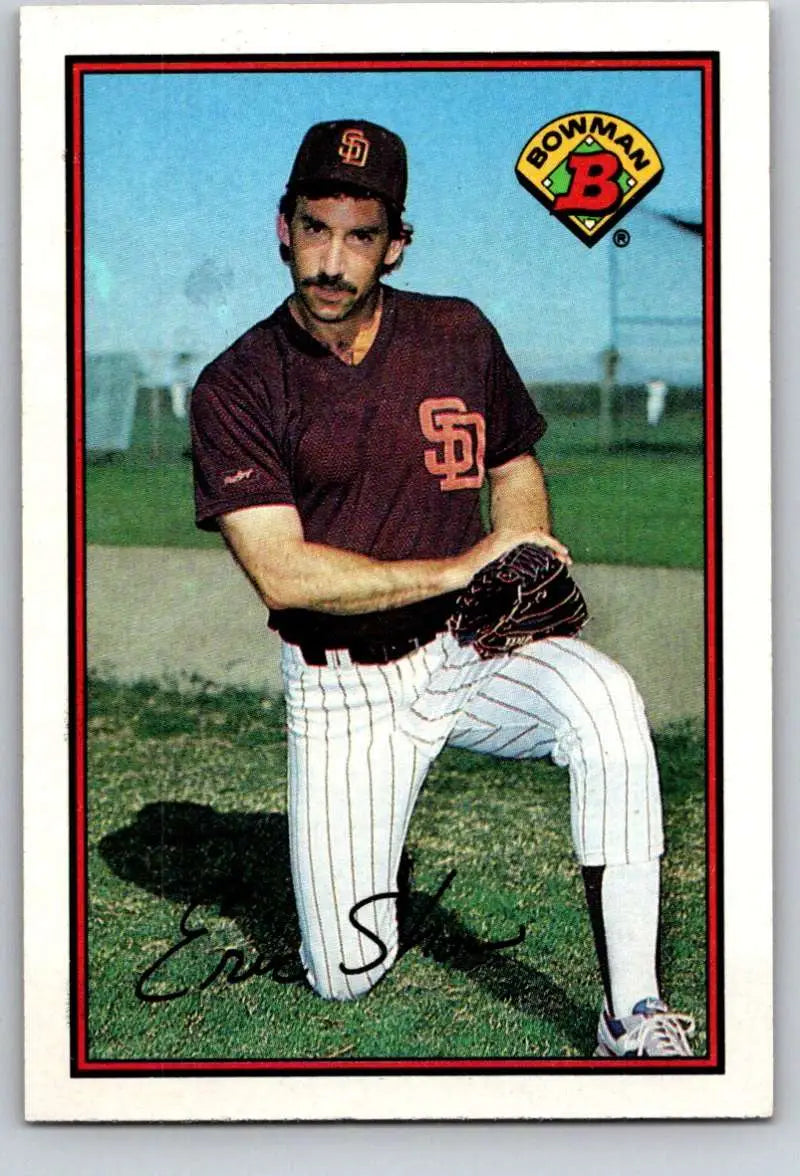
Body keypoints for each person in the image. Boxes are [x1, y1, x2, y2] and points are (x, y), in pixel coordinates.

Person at [190, 119, 695, 1058]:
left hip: (468, 650)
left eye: (360, 235)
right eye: (314, 228)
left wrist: (516, 545)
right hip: (344, 687)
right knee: (347, 975)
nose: (332, 260)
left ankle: (632, 1012)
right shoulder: (238, 385)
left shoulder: (456, 332)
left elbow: (513, 459)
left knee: (607, 704)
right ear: (282, 227)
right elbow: (283, 569)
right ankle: (360, 898)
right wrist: (461, 563)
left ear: (397, 243)